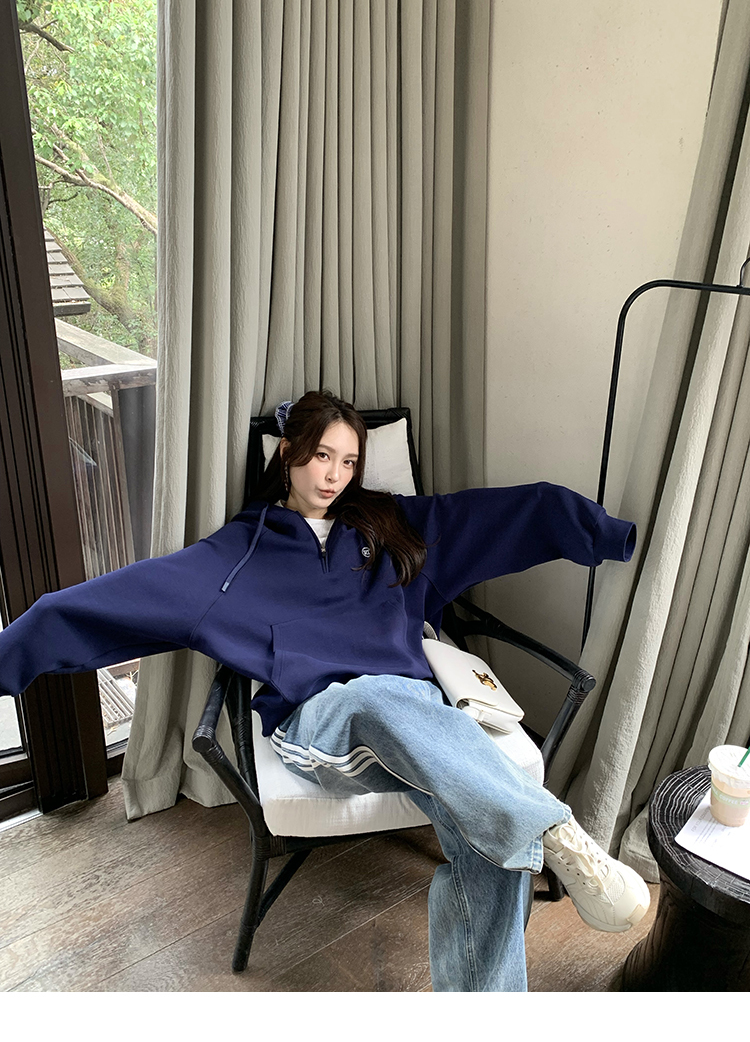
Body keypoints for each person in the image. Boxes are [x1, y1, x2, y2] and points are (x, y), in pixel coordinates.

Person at [0, 388, 649, 991]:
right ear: (288, 453)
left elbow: (512, 513)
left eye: (349, 461)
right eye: (321, 456)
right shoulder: (234, 558)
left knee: (489, 841)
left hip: (424, 727)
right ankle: (554, 829)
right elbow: (104, 604)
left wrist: (606, 532)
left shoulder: (391, 526)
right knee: (376, 698)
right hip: (321, 725)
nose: (335, 475)